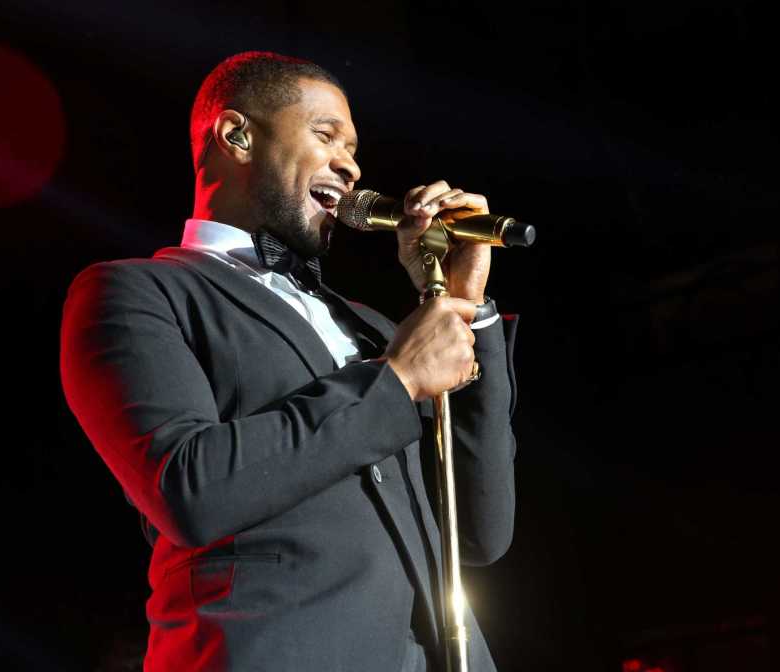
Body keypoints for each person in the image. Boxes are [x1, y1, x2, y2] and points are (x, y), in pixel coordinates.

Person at [60, 51, 518, 672]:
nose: (351, 166)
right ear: (237, 135)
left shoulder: (375, 329)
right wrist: (397, 380)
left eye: (353, 147)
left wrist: (463, 303)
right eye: (325, 135)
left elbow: (481, 533)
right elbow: (187, 488)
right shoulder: (135, 293)